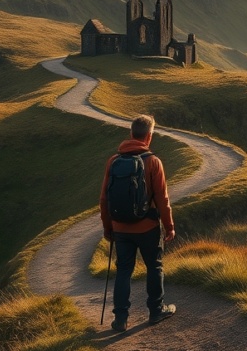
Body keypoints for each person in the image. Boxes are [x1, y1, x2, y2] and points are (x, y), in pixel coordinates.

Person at [99, 114, 176, 332]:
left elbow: (104, 199)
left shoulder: (113, 161)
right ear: (149, 136)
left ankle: (121, 319)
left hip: (120, 228)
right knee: (154, 266)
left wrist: (108, 228)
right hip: (148, 228)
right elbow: (163, 199)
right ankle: (156, 311)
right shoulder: (153, 162)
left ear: (131, 134)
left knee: (123, 270)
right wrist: (169, 227)